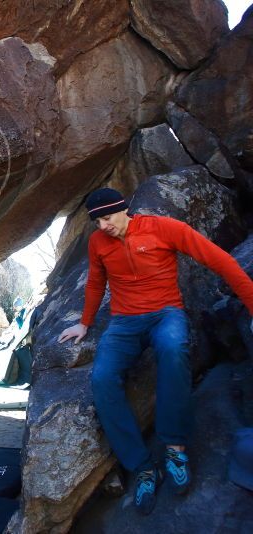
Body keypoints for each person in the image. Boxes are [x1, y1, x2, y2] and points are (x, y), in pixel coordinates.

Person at [57, 187, 253, 515]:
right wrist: (85, 323)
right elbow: (95, 282)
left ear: (124, 210)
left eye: (107, 218)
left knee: (173, 348)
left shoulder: (163, 228)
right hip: (123, 322)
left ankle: (175, 447)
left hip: (166, 313)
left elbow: (221, 261)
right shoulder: (98, 243)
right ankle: (143, 465)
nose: (103, 226)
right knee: (103, 378)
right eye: (96, 221)